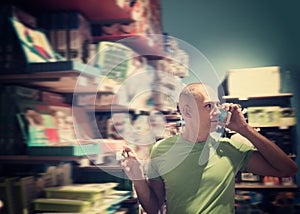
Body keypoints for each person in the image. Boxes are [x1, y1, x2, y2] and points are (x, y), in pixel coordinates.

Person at [121, 83, 297, 214]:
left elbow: (288, 169)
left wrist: (244, 129)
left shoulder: (230, 149)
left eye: (217, 105)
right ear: (187, 111)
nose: (217, 112)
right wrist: (137, 178)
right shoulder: (161, 150)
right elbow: (153, 207)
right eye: (208, 106)